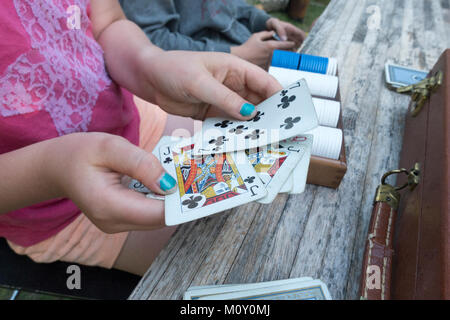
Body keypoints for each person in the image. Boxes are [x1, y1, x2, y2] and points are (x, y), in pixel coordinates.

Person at [0, 0, 281, 276]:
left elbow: (107, 21)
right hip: (58, 208)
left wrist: (148, 64)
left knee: (273, 189)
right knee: (241, 265)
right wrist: (53, 169)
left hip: (137, 117)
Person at [120, 0, 306, 69]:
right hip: (210, 75)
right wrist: (236, 54)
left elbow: (226, 6)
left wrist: (262, 21)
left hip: (250, 51)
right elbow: (150, 41)